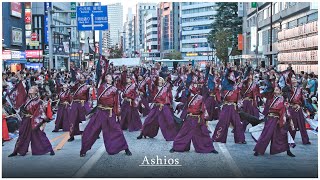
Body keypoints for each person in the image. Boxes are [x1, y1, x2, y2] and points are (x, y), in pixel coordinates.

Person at [80, 74, 132, 157]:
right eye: (106, 76)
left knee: (117, 130)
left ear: (112, 80)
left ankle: (126, 148)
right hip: (100, 112)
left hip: (110, 112)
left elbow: (117, 103)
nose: (108, 77)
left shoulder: (115, 89)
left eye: (109, 77)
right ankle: (84, 150)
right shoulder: (101, 87)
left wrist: (118, 114)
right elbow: (101, 74)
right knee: (91, 130)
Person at [170, 82, 218, 154]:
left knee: (204, 133)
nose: (193, 87)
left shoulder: (200, 98)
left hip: (198, 119)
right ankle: (176, 147)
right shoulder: (188, 96)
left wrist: (204, 119)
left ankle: (209, 148)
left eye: (195, 85)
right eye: (193, 85)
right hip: (189, 118)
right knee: (183, 133)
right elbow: (186, 94)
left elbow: (203, 109)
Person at [8, 86, 55, 157]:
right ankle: (16, 151)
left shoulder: (39, 101)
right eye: (30, 88)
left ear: (36, 92)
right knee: (22, 135)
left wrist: (36, 119)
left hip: (34, 121)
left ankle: (50, 149)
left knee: (40, 135)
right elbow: (22, 108)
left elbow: (41, 112)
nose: (30, 89)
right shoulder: (26, 99)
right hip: (26, 120)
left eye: (32, 89)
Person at [253, 86, 295, 157]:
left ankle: (288, 151)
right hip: (270, 119)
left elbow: (285, 109)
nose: (276, 90)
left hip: (279, 119)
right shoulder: (270, 98)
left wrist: (285, 118)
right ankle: (258, 150)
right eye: (275, 89)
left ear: (280, 91)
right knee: (265, 135)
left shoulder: (283, 99)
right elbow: (266, 105)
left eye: (278, 89)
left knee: (283, 135)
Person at [137, 77, 179, 141]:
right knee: (148, 120)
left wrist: (167, 104)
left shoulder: (166, 89)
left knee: (166, 122)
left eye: (161, 80)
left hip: (163, 107)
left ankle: (171, 136)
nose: (159, 81)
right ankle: (142, 133)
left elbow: (169, 97)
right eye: (158, 80)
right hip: (156, 107)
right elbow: (150, 86)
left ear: (163, 81)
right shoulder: (155, 88)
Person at [212, 67, 246, 144]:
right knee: (222, 122)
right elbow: (225, 83)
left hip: (234, 107)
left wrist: (234, 70)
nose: (233, 77)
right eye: (231, 75)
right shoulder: (225, 84)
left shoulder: (236, 86)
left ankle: (240, 139)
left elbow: (239, 96)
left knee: (237, 123)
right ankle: (217, 138)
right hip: (226, 106)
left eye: (233, 76)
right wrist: (229, 70)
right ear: (228, 77)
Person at [68, 73, 91, 142]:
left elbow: (87, 97)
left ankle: (86, 134)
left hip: (82, 103)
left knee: (84, 119)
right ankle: (71, 135)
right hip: (75, 103)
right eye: (80, 77)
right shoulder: (75, 85)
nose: (81, 78)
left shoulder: (87, 87)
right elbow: (71, 89)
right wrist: (74, 81)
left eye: (82, 77)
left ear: (85, 79)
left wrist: (86, 104)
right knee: (73, 120)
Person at [287, 77, 311, 145]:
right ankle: (291, 140)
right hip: (291, 108)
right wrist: (292, 105)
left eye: (295, 79)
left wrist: (299, 105)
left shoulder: (299, 89)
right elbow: (286, 100)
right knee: (292, 125)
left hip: (298, 108)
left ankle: (305, 140)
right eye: (293, 79)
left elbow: (302, 99)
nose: (294, 80)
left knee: (302, 124)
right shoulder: (288, 89)